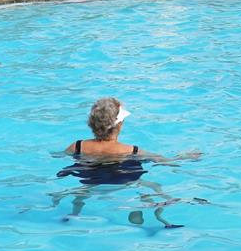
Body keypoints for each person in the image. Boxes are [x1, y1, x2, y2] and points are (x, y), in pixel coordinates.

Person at [56, 98, 200, 228]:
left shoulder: (78, 146)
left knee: (80, 195)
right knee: (155, 186)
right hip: (125, 183)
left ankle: (74, 214)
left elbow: (59, 157)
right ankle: (162, 214)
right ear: (120, 125)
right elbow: (164, 161)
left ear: (91, 123)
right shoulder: (132, 150)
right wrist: (184, 157)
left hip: (92, 181)